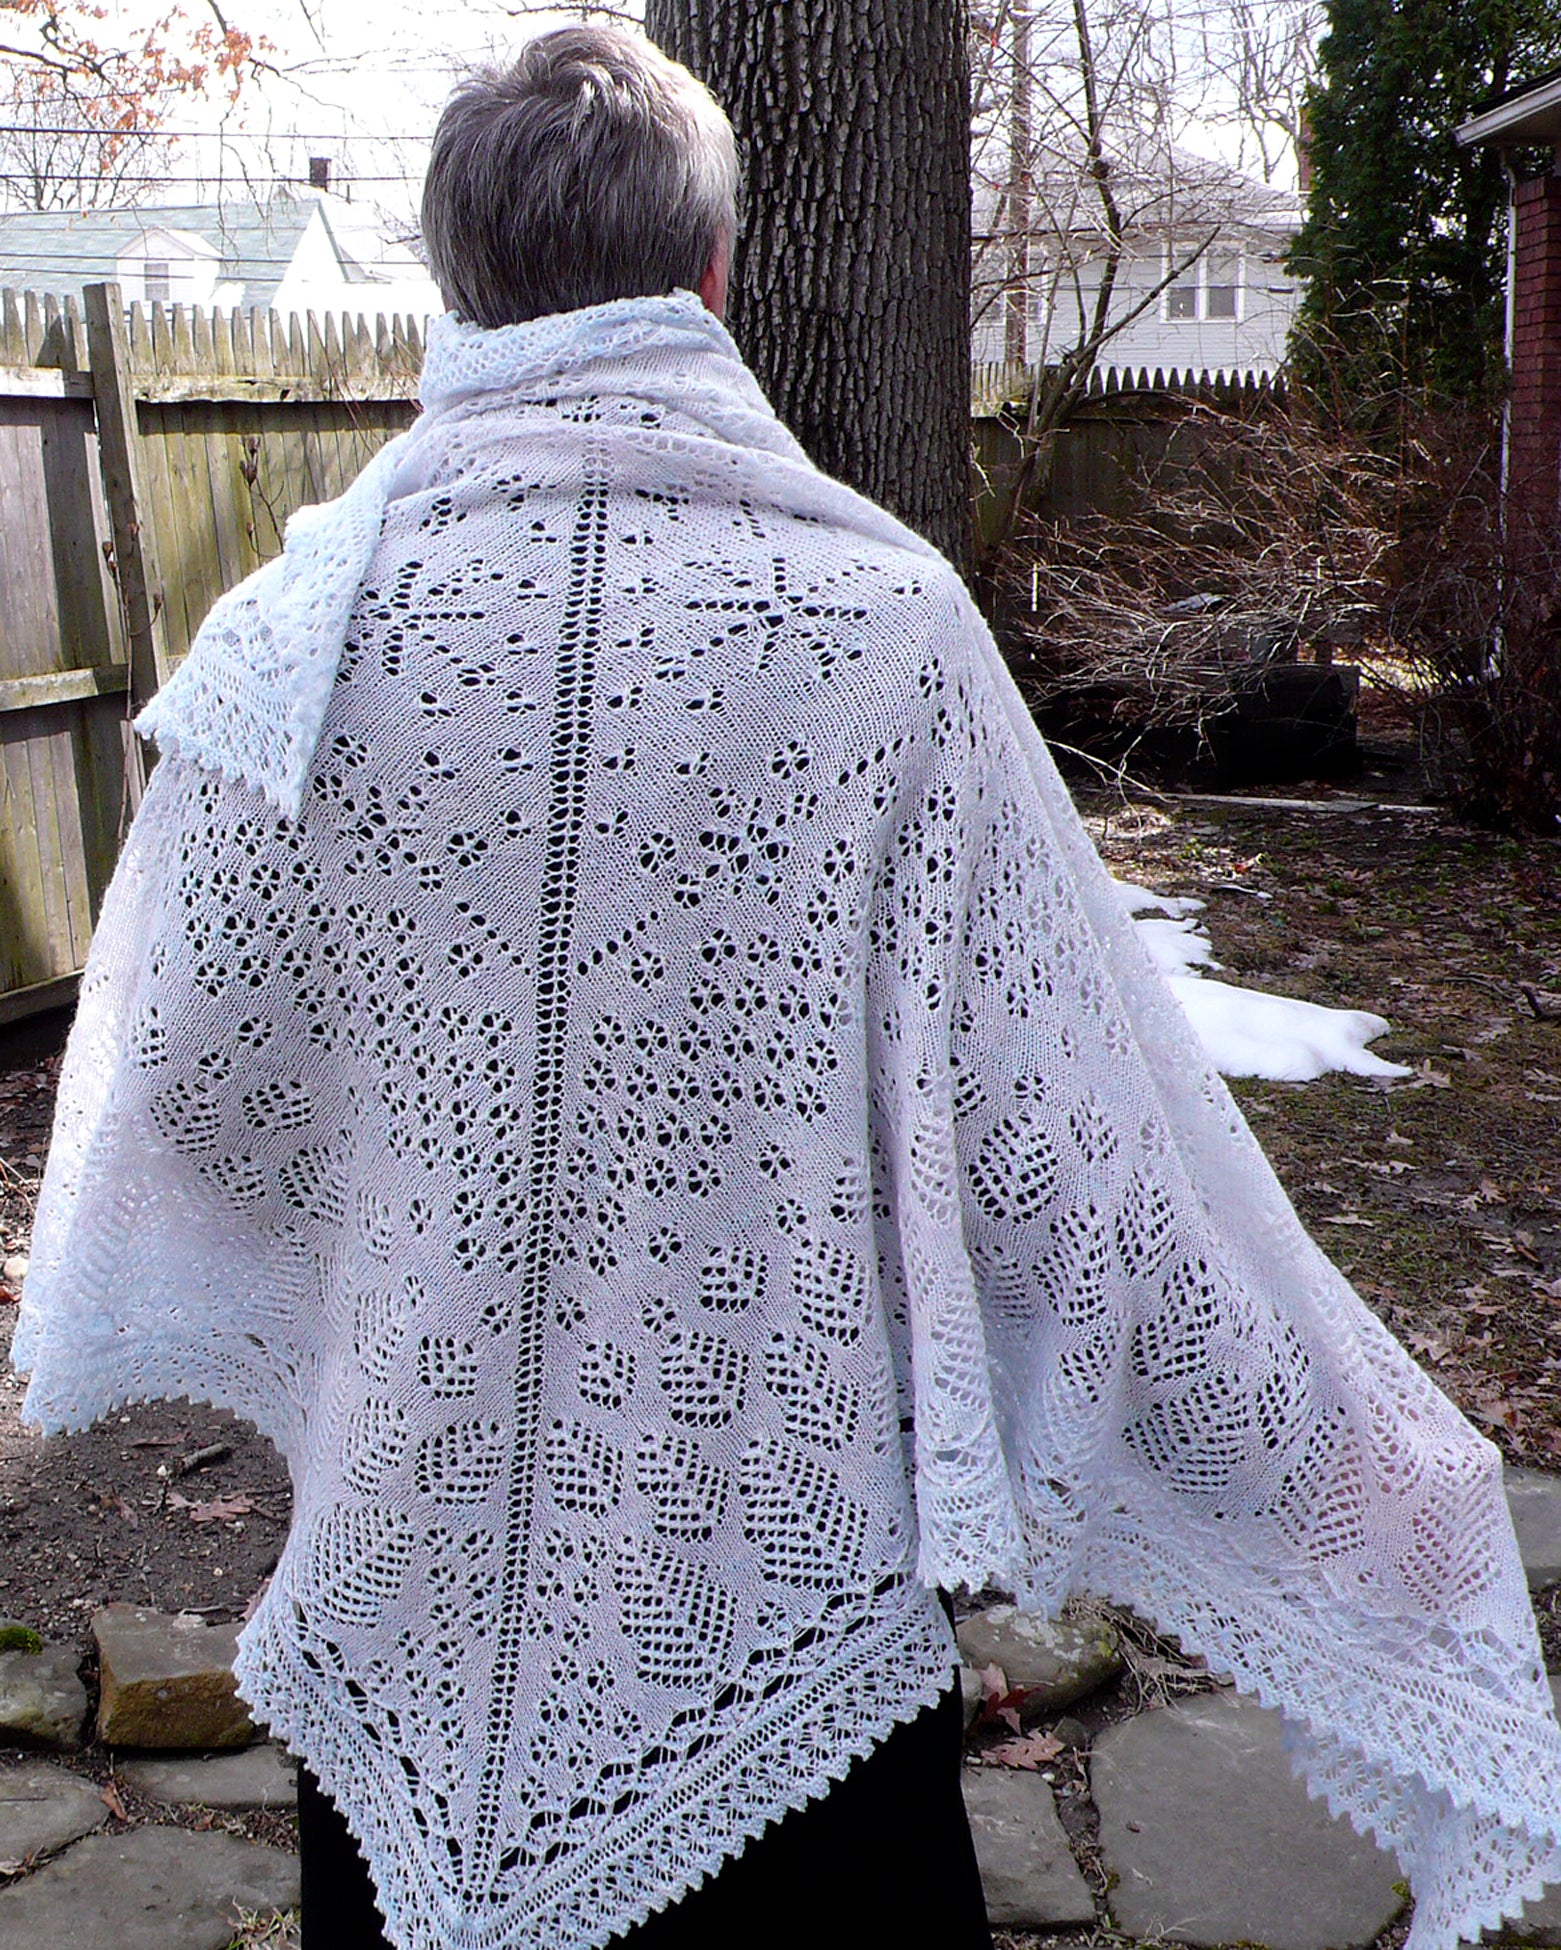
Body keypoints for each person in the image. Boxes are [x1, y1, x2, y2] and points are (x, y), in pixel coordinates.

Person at [12, 25, 1561, 1950]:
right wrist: (1356, 1480)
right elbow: (1073, 1142)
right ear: (716, 272)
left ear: (453, 277)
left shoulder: (297, 636)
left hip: (418, 1569)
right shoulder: (885, 623)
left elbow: (183, 1088)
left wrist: (408, 1204)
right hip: (795, 1616)